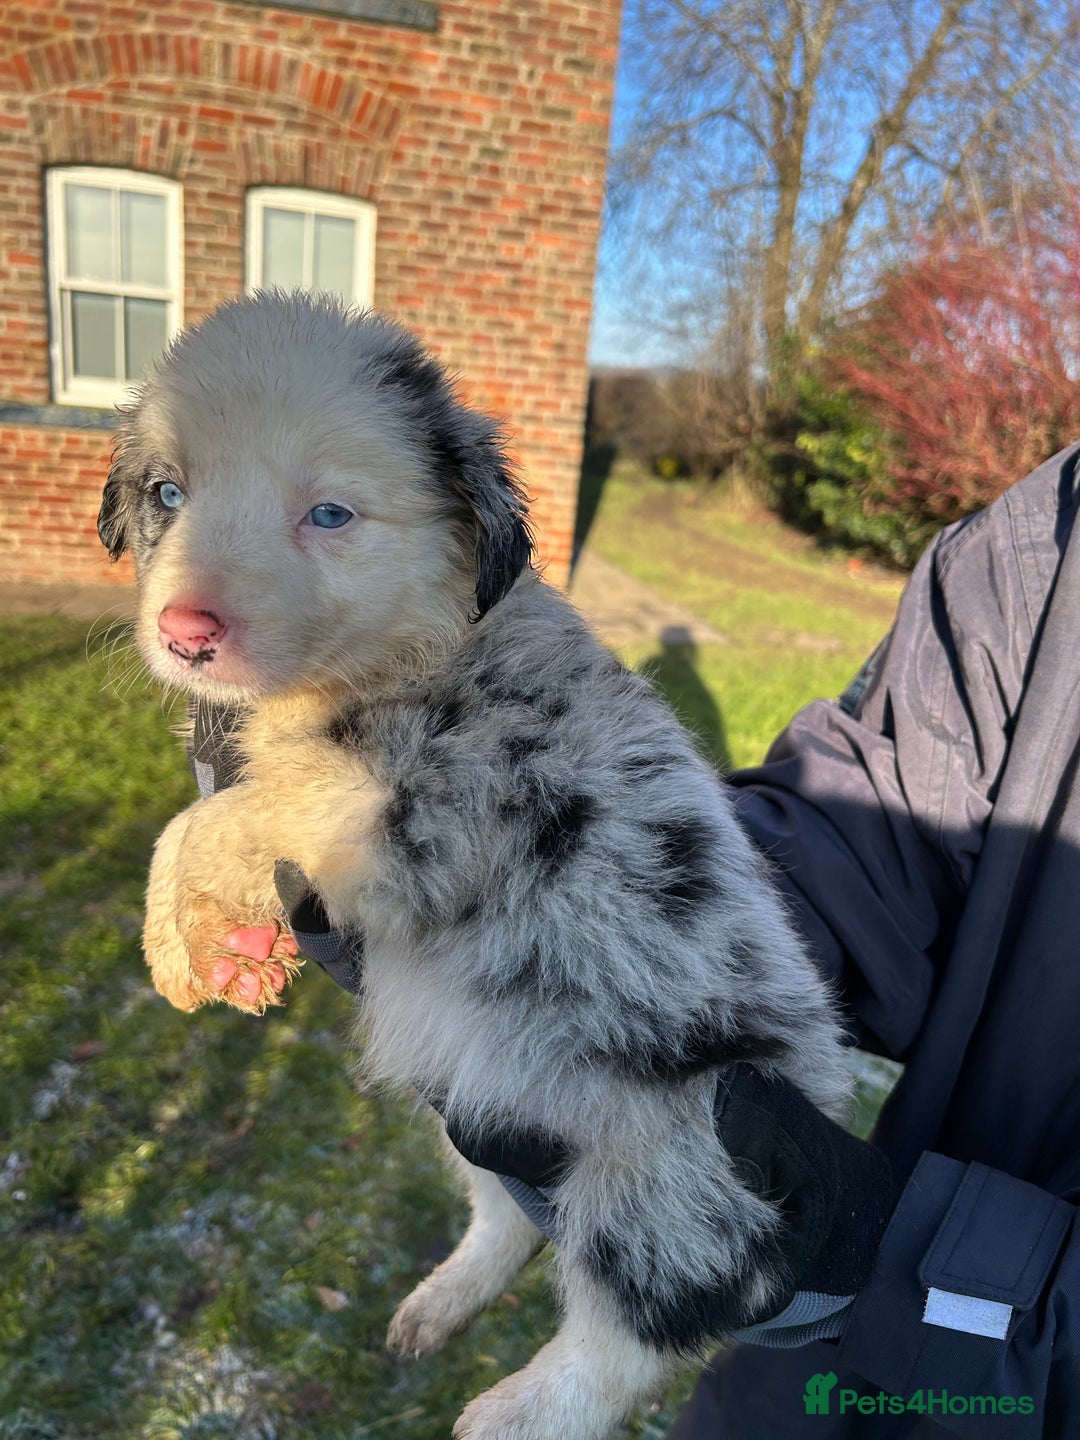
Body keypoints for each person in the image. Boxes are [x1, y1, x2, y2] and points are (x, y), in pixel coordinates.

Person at [190, 443, 1080, 1438]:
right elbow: (887, 818)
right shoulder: (1052, 527)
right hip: (831, 1368)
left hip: (951, 1319)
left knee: (671, 1201)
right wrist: (562, 860)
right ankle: (504, 1234)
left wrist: (980, 1288)